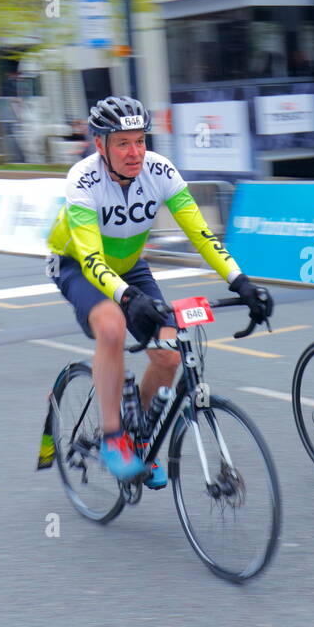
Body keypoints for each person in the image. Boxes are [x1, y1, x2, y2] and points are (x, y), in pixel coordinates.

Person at [46, 95, 272, 484]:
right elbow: (91, 258)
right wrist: (129, 299)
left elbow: (202, 235)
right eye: (122, 143)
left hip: (130, 266)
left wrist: (241, 281)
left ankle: (139, 440)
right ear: (100, 144)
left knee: (168, 355)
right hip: (78, 265)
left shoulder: (160, 171)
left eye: (140, 141)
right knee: (113, 327)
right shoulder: (83, 179)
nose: (135, 152)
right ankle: (114, 437)